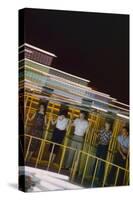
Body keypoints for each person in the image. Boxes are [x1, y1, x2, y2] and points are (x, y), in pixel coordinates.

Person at [92, 121, 112, 185]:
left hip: (105, 147)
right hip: (100, 145)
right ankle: (93, 175)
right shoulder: (102, 129)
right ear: (105, 124)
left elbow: (110, 141)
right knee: (96, 159)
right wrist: (95, 134)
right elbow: (98, 135)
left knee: (102, 162)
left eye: (108, 125)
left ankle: (100, 178)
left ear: (109, 126)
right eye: (106, 124)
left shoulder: (110, 132)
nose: (107, 126)